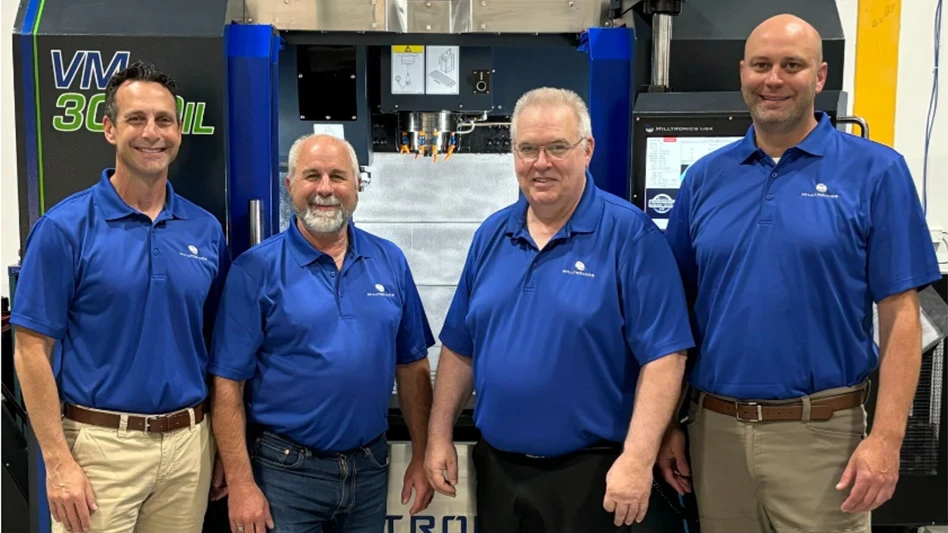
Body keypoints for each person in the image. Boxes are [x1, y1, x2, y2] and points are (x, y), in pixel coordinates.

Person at [658, 13, 943, 533]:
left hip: (823, 442)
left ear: (820, 76)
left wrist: (885, 440)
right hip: (714, 434)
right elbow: (679, 313)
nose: (774, 79)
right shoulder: (704, 179)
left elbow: (901, 317)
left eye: (792, 65)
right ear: (742, 72)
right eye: (762, 65)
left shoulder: (877, 172)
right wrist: (670, 424)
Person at [423, 87, 697, 533]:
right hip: (499, 473)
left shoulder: (630, 236)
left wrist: (637, 459)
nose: (540, 162)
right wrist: (438, 436)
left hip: (595, 476)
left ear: (586, 150)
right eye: (527, 149)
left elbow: (666, 357)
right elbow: (461, 348)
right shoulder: (492, 235)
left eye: (556, 147)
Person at [11, 60, 230, 533]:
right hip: (98, 451)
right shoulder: (64, 229)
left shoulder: (206, 231)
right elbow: (30, 350)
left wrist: (216, 447)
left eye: (164, 120)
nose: (152, 133)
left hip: (188, 448)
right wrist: (58, 461)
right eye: (136, 119)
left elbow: (215, 346)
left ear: (179, 131)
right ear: (110, 129)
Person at [208, 133, 436, 533]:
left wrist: (420, 454)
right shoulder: (255, 270)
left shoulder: (390, 260)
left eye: (338, 176)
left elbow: (413, 366)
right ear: (290, 185)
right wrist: (242, 484)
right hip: (285, 474)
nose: (326, 189)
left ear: (357, 185)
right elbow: (228, 385)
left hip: (369, 471)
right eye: (312, 176)